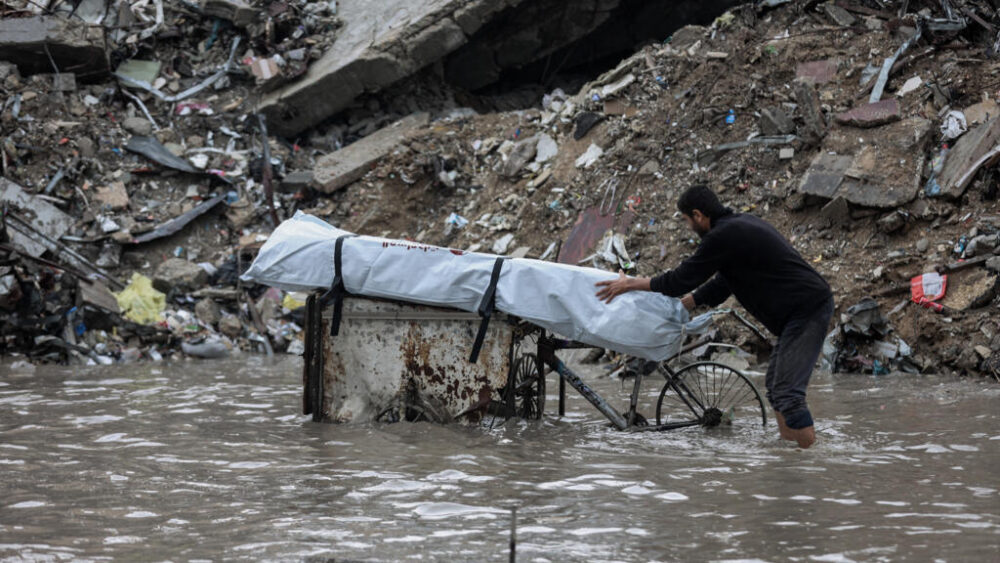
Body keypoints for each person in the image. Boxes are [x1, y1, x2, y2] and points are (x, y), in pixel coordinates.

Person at [594, 185, 833, 448]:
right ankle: (789, 451)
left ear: (698, 215)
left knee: (788, 392)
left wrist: (630, 284)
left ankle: (810, 462)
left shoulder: (723, 235)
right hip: (797, 312)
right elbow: (724, 283)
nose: (688, 228)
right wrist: (689, 303)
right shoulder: (737, 228)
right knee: (776, 387)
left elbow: (679, 280)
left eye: (686, 221)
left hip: (807, 308)